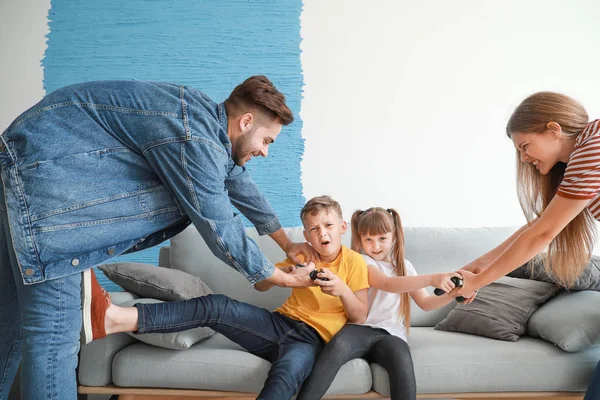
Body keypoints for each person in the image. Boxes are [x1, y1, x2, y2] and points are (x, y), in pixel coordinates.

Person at [0, 76, 320, 400]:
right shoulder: (198, 139)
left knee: (9, 326)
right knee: (54, 338)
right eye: (266, 140)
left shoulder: (204, 125)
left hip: (26, 171)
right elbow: (218, 221)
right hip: (50, 193)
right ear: (246, 121)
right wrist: (271, 276)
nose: (264, 152)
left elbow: (239, 184)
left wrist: (288, 244)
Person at [97, 195, 369, 399]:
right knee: (217, 305)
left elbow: (360, 316)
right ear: (306, 234)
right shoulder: (302, 256)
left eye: (328, 225)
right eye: (313, 228)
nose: (322, 233)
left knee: (285, 377)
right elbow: (261, 286)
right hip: (277, 325)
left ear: (342, 227)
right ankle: (122, 317)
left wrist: (342, 290)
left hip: (312, 340)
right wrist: (282, 273)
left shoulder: (355, 262)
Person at [451, 92, 600, 398]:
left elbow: (542, 235)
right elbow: (539, 225)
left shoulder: (592, 148)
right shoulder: (588, 149)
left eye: (525, 146)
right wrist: (480, 264)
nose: (523, 158)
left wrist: (478, 281)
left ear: (553, 130)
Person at [296, 207, 462, 400]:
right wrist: (432, 278)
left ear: (394, 236)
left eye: (382, 238)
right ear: (360, 240)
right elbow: (387, 284)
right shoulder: (361, 261)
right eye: (369, 240)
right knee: (337, 346)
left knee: (401, 359)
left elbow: (426, 303)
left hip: (391, 335)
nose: (375, 246)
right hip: (358, 329)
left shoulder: (405, 267)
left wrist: (453, 295)